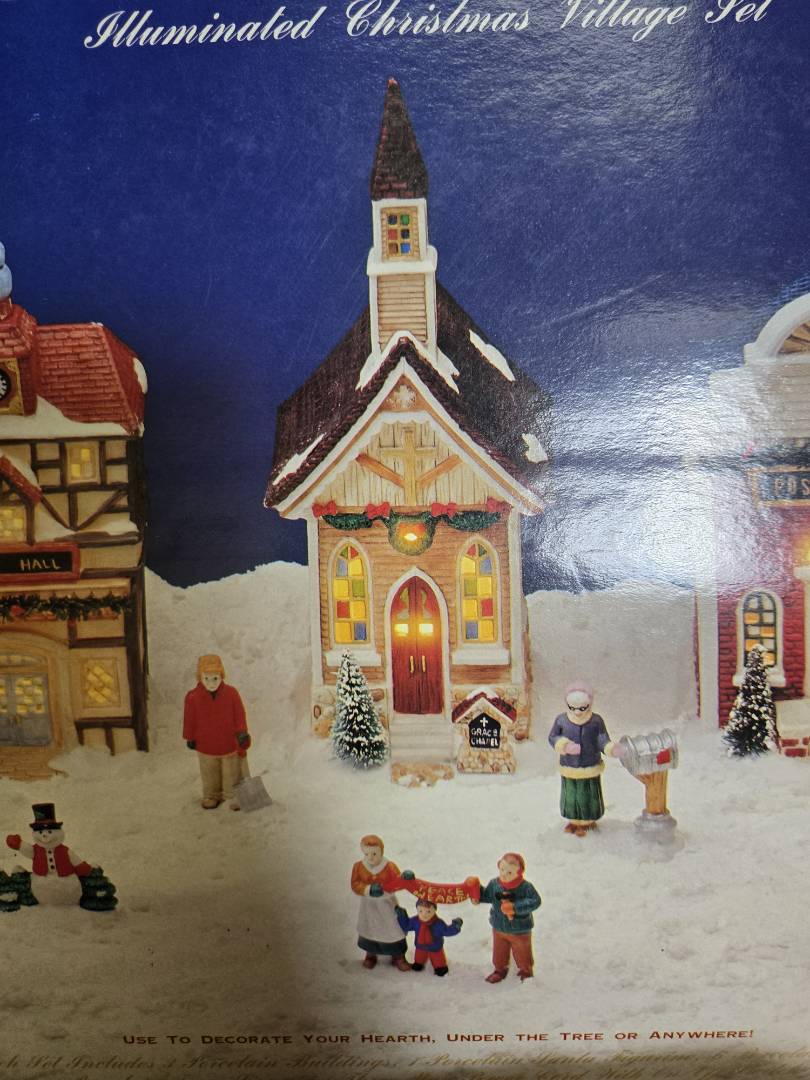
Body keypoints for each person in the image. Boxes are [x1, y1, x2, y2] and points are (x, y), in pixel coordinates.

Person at [548, 682, 624, 836]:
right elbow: (552, 737)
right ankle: (573, 821)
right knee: (571, 794)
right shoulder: (561, 720)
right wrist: (564, 746)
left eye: (582, 708)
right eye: (572, 708)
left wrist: (610, 748)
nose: (577, 712)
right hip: (569, 765)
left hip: (590, 765)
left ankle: (587, 822)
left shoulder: (596, 721)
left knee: (588, 795)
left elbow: (602, 739)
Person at [183, 654, 250, 810]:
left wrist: (241, 732)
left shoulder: (232, 694)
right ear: (200, 677)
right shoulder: (193, 697)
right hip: (206, 744)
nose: (211, 683)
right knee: (209, 772)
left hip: (229, 743)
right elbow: (189, 719)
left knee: (231, 771)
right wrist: (190, 736)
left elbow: (239, 714)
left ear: (222, 676)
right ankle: (211, 795)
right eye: (206, 679)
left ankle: (232, 795)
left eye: (215, 678)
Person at [475, 852, 540, 983]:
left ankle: (526, 972)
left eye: (509, 872)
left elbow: (535, 901)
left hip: (519, 929)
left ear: (519, 873)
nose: (504, 874)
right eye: (502, 869)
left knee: (523, 953)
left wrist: (515, 907)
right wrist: (477, 894)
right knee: (499, 952)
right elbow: (487, 896)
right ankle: (500, 970)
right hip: (499, 927)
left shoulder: (526, 887)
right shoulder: (494, 884)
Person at [350, 835, 410, 972]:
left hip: (386, 905)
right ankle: (370, 954)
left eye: (374, 854)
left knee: (393, 928)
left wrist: (405, 879)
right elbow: (355, 884)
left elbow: (398, 882)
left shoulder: (389, 866)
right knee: (370, 929)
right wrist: (368, 889)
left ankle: (398, 956)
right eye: (367, 854)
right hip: (369, 906)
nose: (370, 857)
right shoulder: (358, 866)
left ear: (381, 852)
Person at [396, 898, 462, 977]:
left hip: (435, 947)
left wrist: (455, 926)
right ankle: (418, 964)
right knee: (419, 958)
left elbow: (446, 931)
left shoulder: (438, 924)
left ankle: (440, 968)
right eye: (420, 911)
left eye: (428, 911)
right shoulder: (415, 921)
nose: (424, 914)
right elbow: (407, 926)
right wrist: (402, 915)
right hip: (420, 946)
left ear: (434, 910)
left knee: (438, 960)